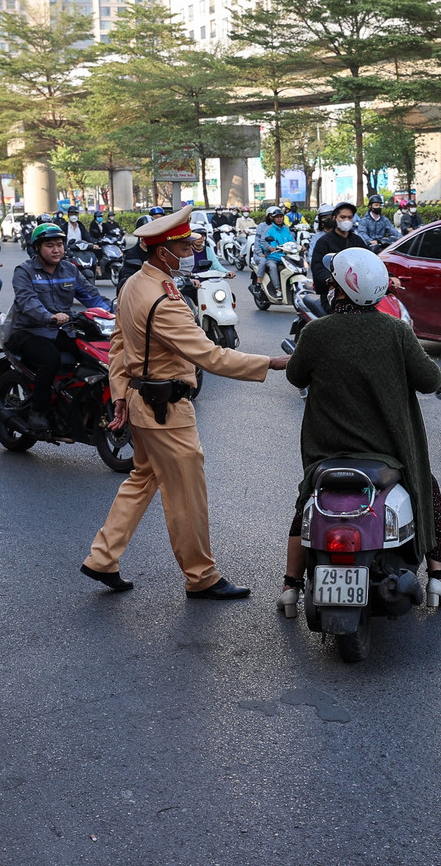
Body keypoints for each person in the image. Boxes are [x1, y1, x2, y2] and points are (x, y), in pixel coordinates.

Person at [80, 205, 290, 599]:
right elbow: (211, 356)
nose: (191, 250)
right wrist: (272, 363)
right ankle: (201, 576)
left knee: (143, 478)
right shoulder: (163, 300)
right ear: (164, 252)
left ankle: (103, 557)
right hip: (167, 412)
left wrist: (122, 395)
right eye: (184, 245)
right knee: (186, 497)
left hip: (144, 404)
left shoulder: (133, 285)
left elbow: (120, 345)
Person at [277, 247, 441, 615]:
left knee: (307, 500)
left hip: (326, 454)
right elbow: (432, 380)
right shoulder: (396, 332)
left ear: (337, 289)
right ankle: (437, 577)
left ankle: (290, 588)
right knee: (429, 490)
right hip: (388, 454)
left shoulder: (315, 332)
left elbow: (295, 375)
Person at [3, 222, 112, 433]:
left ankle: (75, 399)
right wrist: (49, 317)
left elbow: (92, 297)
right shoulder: (24, 271)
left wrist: (116, 311)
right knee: (50, 359)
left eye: (59, 245)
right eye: (49, 245)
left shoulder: (70, 269)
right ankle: (39, 411)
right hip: (28, 331)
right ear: (37, 248)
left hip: (62, 329)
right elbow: (27, 302)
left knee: (91, 353)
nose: (56, 250)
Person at [309, 202, 370, 301]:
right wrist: (331, 280)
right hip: (333, 295)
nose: (347, 220)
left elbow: (370, 259)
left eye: (350, 217)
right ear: (334, 218)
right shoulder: (324, 242)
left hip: (358, 293)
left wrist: (388, 276)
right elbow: (317, 268)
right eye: (343, 217)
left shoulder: (357, 240)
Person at [257, 207, 294, 298]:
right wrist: (269, 248)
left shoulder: (286, 229)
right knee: (273, 267)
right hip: (273, 257)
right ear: (273, 218)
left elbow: (291, 240)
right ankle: (277, 290)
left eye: (281, 216)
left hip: (285, 256)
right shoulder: (269, 229)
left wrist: (297, 247)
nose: (279, 218)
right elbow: (263, 241)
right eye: (277, 217)